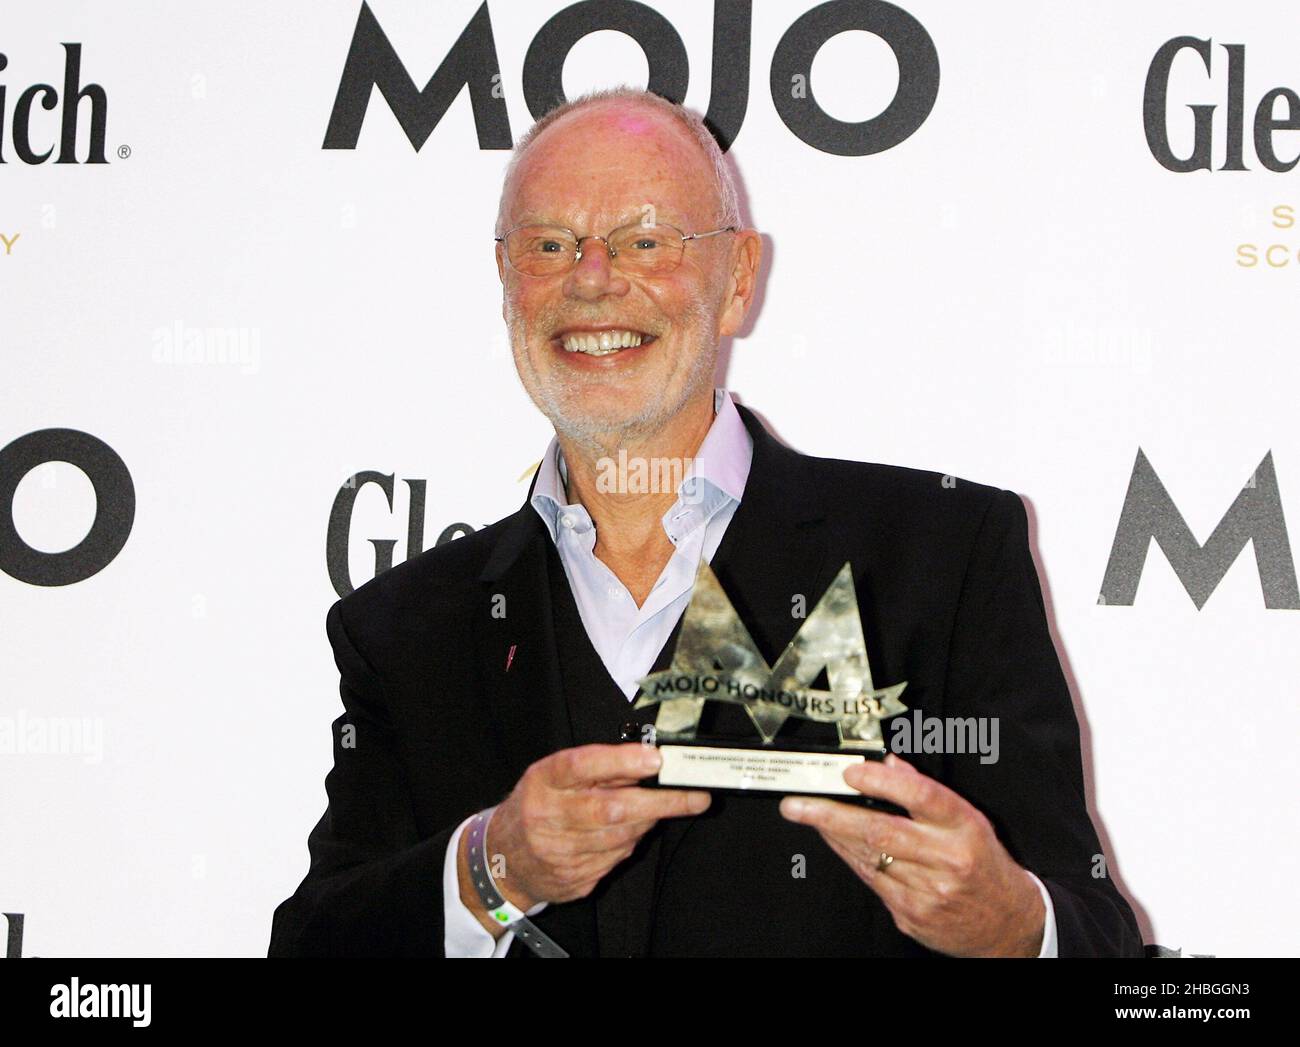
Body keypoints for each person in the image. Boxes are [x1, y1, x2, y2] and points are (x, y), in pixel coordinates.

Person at [269, 86, 1144, 958]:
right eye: (549, 245)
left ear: (739, 280)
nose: (593, 276)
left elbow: (1100, 943)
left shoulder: (944, 559)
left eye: (646, 241)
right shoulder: (405, 631)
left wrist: (1014, 928)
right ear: (506, 284)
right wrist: (490, 869)